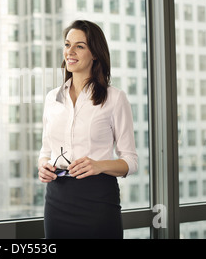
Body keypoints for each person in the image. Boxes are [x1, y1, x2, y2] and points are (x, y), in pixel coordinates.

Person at [38, 20, 138, 239]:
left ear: (95, 54)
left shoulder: (115, 98)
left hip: (98, 200)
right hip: (57, 199)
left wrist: (98, 165)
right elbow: (45, 151)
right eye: (67, 45)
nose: (70, 51)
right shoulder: (52, 98)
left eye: (79, 46)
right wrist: (43, 166)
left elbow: (131, 162)